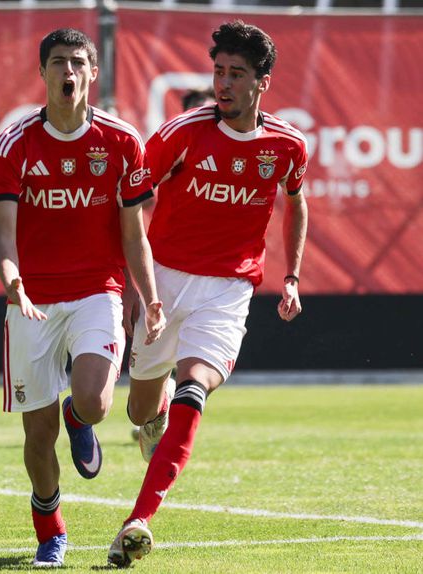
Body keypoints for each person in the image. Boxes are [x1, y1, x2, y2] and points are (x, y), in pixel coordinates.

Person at [108, 21, 309, 568]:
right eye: (218, 72)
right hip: (164, 281)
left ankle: (138, 520)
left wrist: (290, 275)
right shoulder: (182, 132)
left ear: (261, 82)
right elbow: (130, 197)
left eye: (236, 74)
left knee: (195, 387)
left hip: (229, 288)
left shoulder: (287, 145)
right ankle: (154, 418)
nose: (223, 84)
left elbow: (296, 201)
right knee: (140, 406)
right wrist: (132, 281)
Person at [0, 29, 166, 568]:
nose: (69, 72)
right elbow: (3, 239)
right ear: (42, 73)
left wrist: (149, 295)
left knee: (93, 402)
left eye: (78, 63)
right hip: (32, 302)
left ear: (92, 74)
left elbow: (134, 234)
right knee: (36, 436)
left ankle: (79, 416)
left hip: (98, 291)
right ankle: (51, 531)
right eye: (58, 62)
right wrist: (13, 282)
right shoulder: (14, 144)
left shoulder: (121, 141)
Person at [130, 85, 216, 444]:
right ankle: (155, 406)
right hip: (159, 269)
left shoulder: (235, 148)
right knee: (139, 405)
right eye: (197, 111)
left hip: (214, 276)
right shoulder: (172, 147)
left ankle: (178, 403)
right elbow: (134, 205)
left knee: (200, 363)